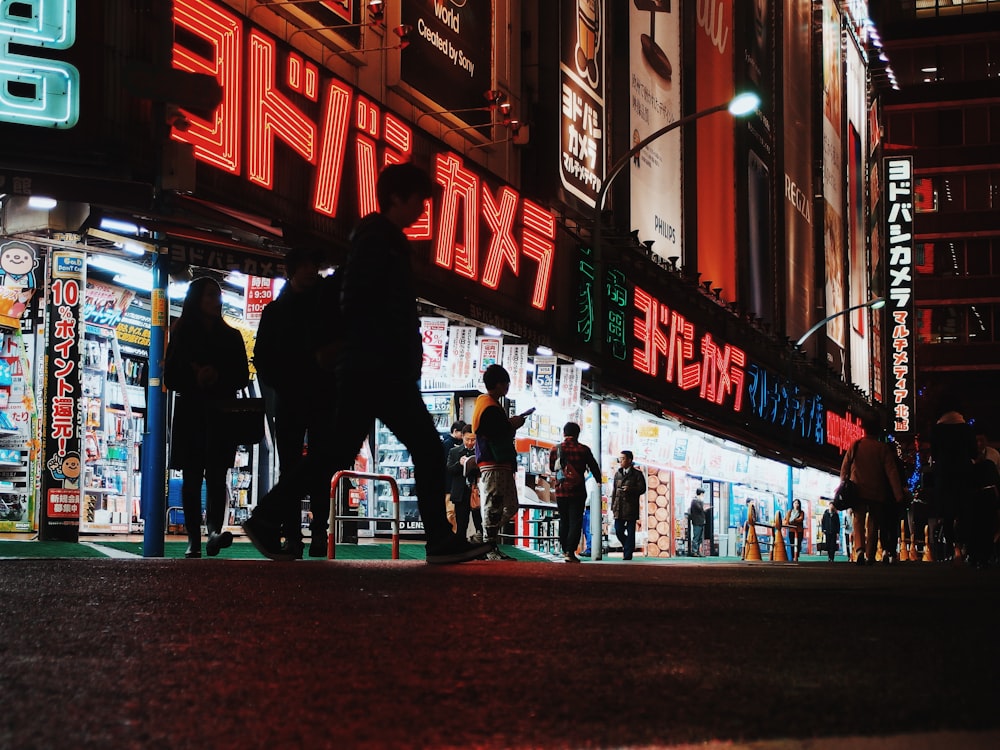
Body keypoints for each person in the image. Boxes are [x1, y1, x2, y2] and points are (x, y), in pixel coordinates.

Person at [244, 162, 491, 565]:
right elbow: (359, 298)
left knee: (334, 453)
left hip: (372, 367)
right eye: (418, 200)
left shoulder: (379, 238)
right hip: (379, 367)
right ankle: (440, 542)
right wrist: (377, 348)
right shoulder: (379, 239)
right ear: (397, 197)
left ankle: (267, 517)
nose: (423, 210)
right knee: (425, 449)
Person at [253, 247, 336, 557]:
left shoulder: (322, 308)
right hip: (294, 397)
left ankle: (314, 535)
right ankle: (295, 536)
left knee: (313, 467)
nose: (310, 271)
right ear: (291, 271)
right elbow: (262, 358)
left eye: (313, 264)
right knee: (295, 467)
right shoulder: (276, 312)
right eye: (304, 265)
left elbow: (262, 358)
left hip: (314, 397)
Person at [164, 277, 249, 559]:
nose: (217, 301)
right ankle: (194, 538)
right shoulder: (181, 333)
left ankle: (212, 532)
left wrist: (216, 376)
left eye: (218, 295)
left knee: (216, 475)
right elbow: (170, 376)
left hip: (220, 412)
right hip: (193, 411)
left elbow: (242, 376)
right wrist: (195, 377)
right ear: (197, 299)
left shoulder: (232, 336)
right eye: (211, 295)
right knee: (192, 476)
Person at [473, 364, 531, 561]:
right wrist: (511, 424)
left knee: (509, 506)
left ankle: (482, 539)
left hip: (500, 463)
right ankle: (488, 546)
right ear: (499, 384)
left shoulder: (489, 404)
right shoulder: (488, 406)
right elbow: (495, 433)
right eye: (506, 383)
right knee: (495, 505)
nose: (507, 387)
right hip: (493, 463)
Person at [840, 428, 906, 566]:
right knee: (874, 522)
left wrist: (843, 482)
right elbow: (891, 471)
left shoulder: (856, 444)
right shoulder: (882, 448)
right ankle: (870, 555)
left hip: (857, 489)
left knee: (858, 520)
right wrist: (898, 494)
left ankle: (859, 551)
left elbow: (845, 464)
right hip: (876, 490)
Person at [549, 421, 601, 563]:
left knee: (564, 520)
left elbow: (552, 468)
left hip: (561, 491)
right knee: (575, 521)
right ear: (578, 434)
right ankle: (570, 552)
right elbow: (594, 466)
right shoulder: (583, 449)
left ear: (564, 433)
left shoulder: (556, 449)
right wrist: (598, 480)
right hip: (578, 491)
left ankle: (565, 549)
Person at [930, 410, 977, 561]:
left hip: (944, 473)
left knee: (947, 512)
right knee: (965, 509)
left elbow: (935, 454)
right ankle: (962, 543)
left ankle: (952, 545)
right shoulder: (966, 429)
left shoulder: (937, 429)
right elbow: (973, 453)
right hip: (964, 473)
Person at [610, 450, 646, 560]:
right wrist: (613, 506)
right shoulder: (618, 474)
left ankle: (628, 554)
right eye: (620, 458)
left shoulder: (637, 474)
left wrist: (630, 489)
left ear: (630, 460)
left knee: (631, 532)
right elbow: (614, 490)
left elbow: (642, 489)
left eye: (623, 458)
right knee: (618, 530)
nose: (621, 461)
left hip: (631, 506)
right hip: (619, 507)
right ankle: (628, 545)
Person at [447, 426, 478, 542]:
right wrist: (459, 464)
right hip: (461, 493)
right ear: (463, 437)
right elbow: (449, 470)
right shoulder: (454, 451)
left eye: (473, 439)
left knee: (479, 522)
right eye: (467, 439)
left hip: (476, 492)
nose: (470, 442)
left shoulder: (482, 452)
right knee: (461, 523)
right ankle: (461, 545)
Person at [687, 488, 707, 557]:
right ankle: (694, 551)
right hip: (697, 522)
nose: (703, 496)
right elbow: (700, 509)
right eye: (703, 494)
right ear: (701, 494)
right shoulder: (695, 501)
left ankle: (698, 551)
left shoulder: (699, 501)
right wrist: (703, 505)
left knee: (700, 538)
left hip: (701, 522)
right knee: (696, 537)